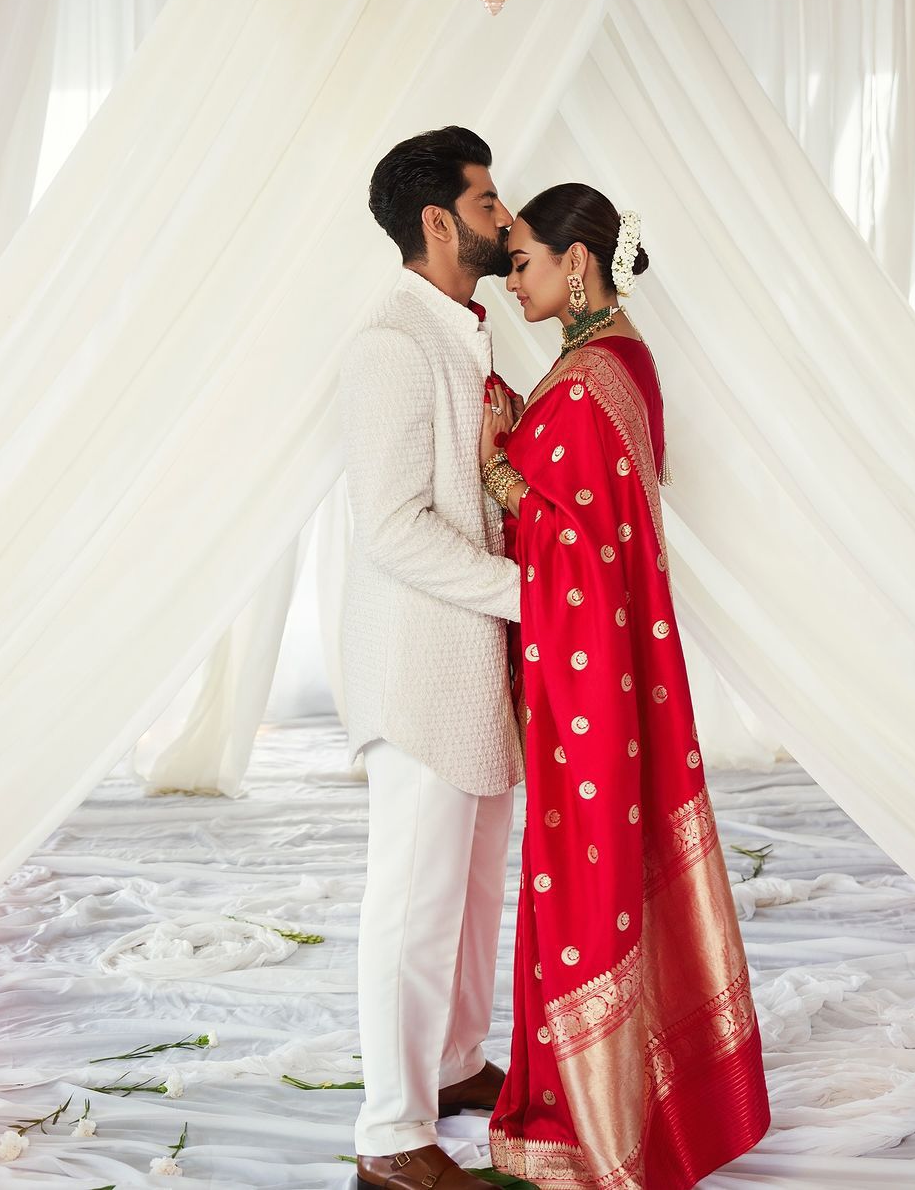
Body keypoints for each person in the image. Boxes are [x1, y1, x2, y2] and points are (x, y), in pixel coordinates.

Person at [481, 183, 771, 1188]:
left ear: (575, 260)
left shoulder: (597, 369)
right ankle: (641, 1088)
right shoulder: (603, 362)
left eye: (519, 259)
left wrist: (502, 479)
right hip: (604, 663)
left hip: (594, 669)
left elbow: (585, 552)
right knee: (589, 865)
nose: (508, 277)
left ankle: (595, 1119)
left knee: (586, 868)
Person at [341, 126, 526, 1190]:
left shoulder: (461, 325)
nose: (507, 218)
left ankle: (455, 1064)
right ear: (438, 221)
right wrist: (531, 595)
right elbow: (392, 525)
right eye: (490, 201)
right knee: (412, 900)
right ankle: (390, 1135)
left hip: (474, 660)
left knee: (467, 889)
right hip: (419, 668)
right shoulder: (391, 342)